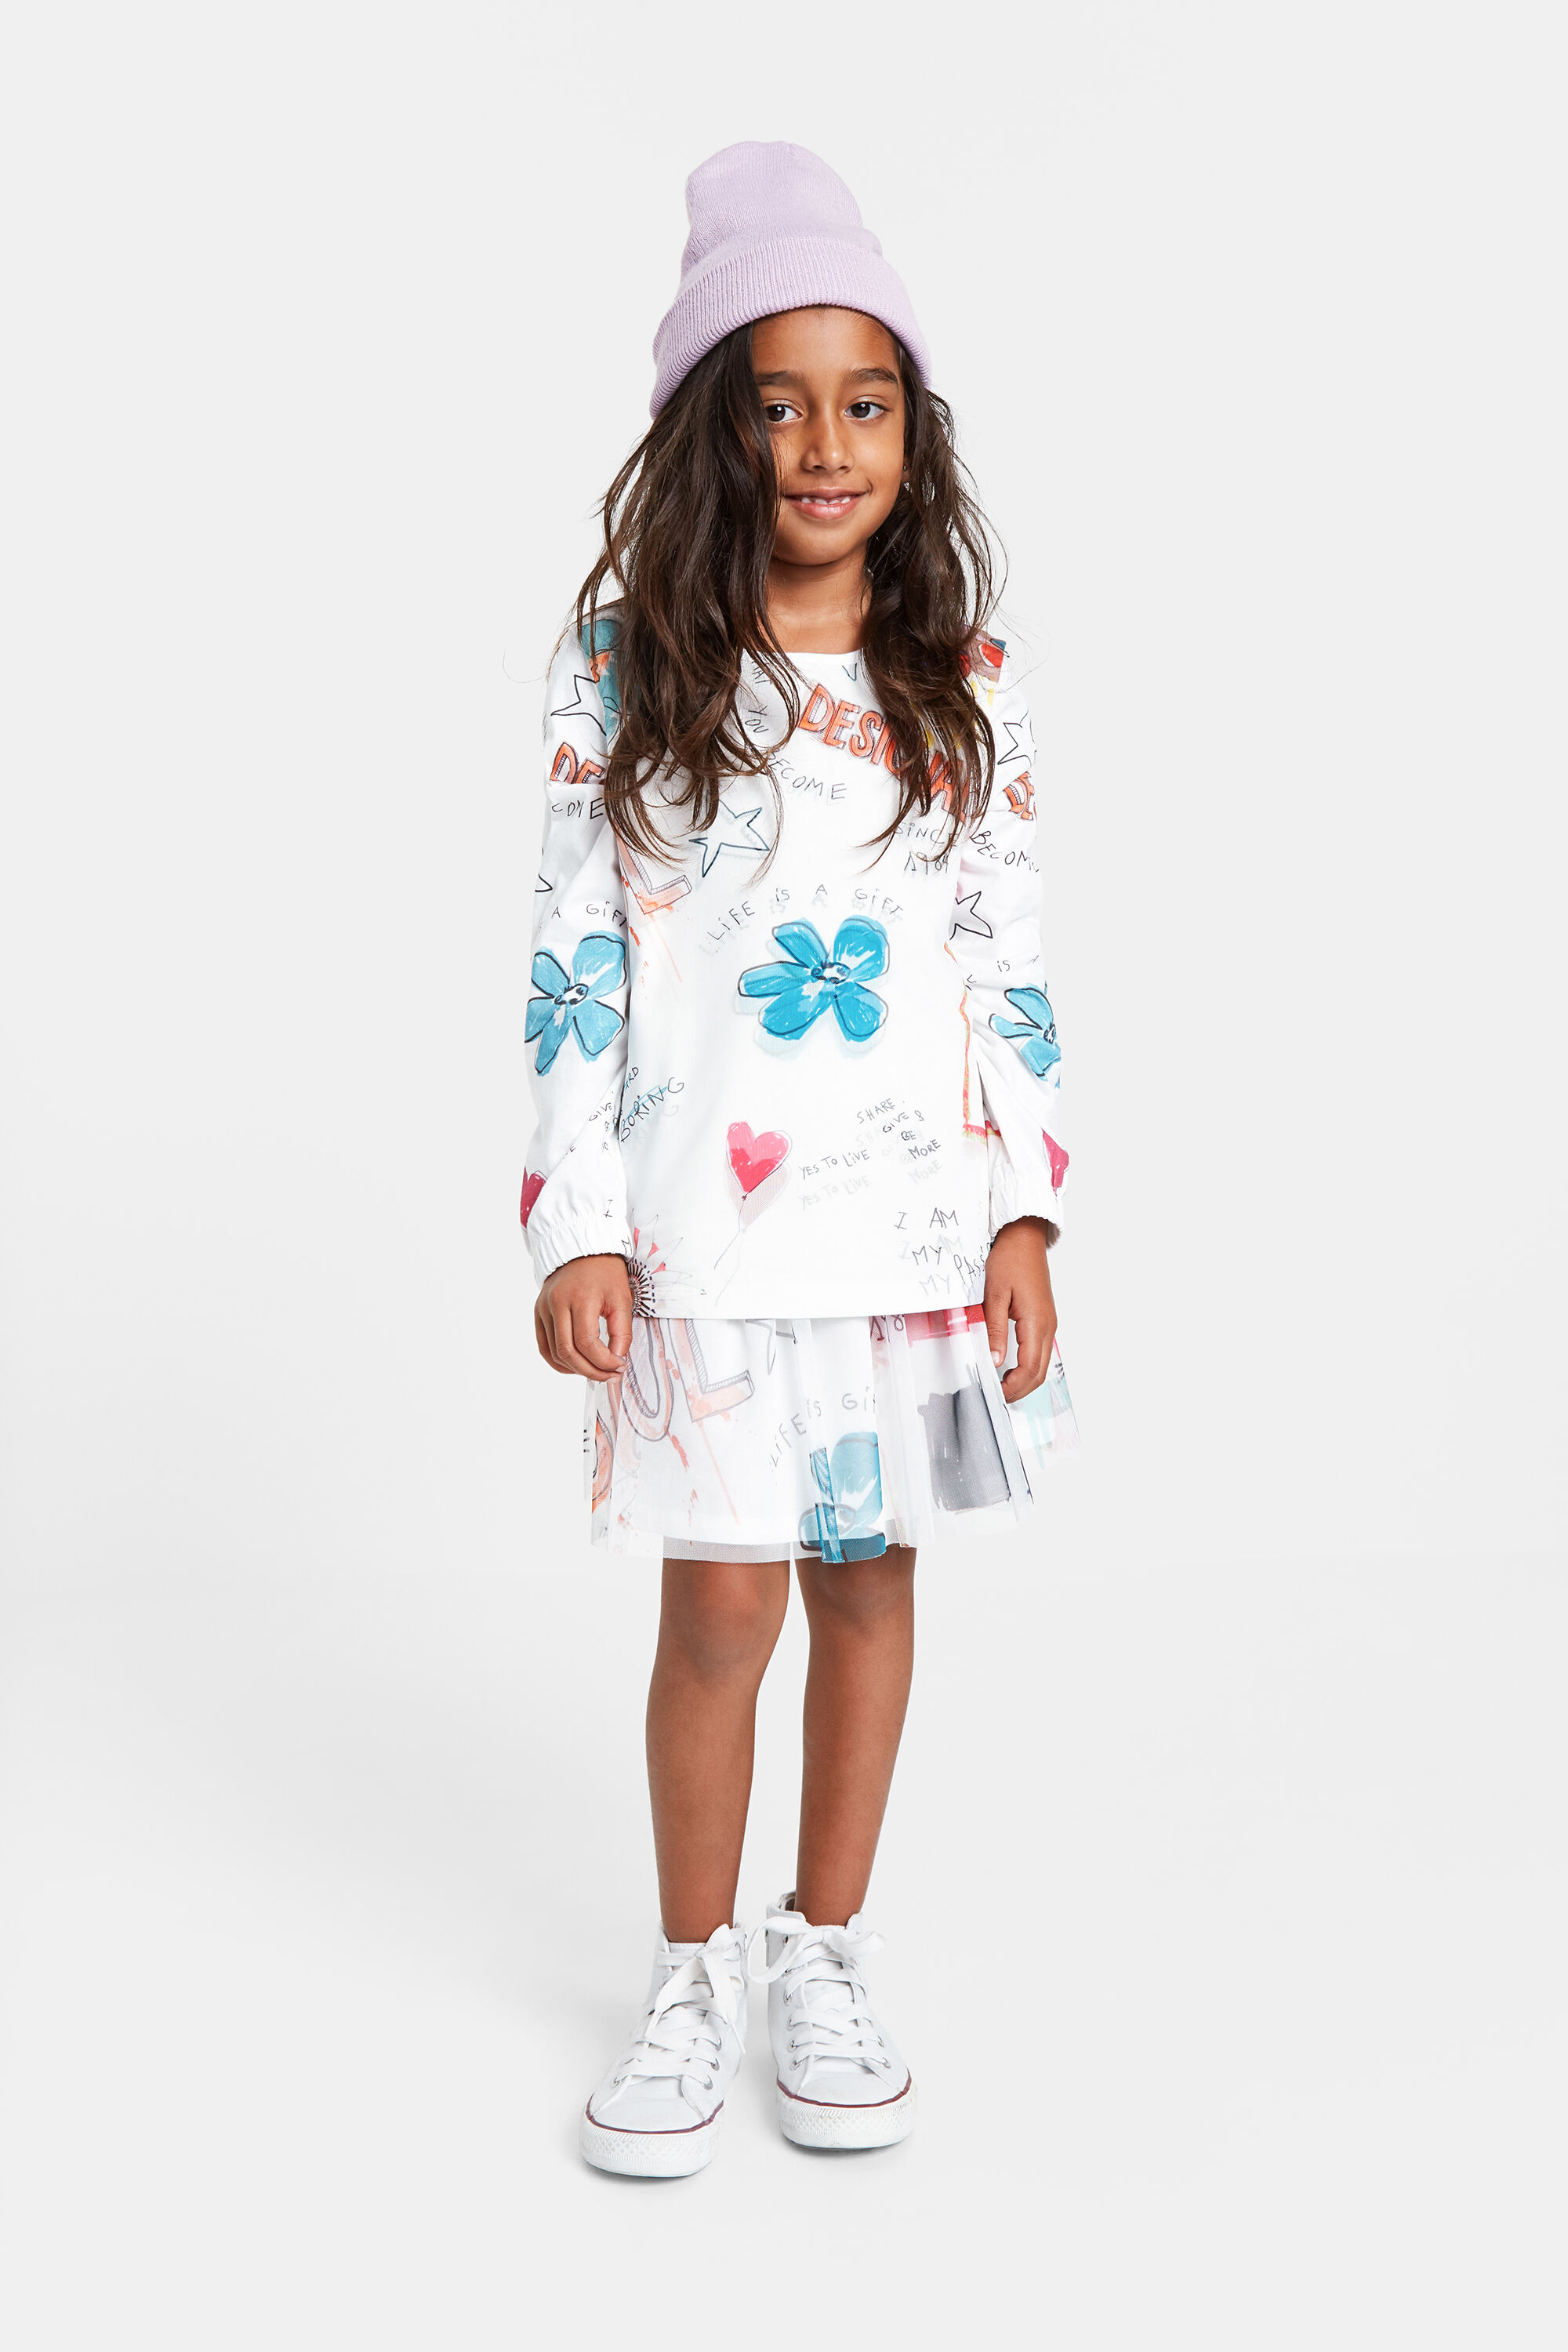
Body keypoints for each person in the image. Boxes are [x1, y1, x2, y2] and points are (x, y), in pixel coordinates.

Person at [521, 141, 1077, 2177]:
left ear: (915, 436)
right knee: (723, 1613)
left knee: (866, 1586)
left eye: (867, 404)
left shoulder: (961, 685)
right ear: (717, 430)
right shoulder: (630, 676)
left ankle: (821, 1949)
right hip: (705, 1239)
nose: (827, 447)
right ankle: (689, 1973)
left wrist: (1025, 1207)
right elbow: (575, 963)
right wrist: (578, 1226)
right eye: (779, 405)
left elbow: (1004, 966)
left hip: (909, 1234)